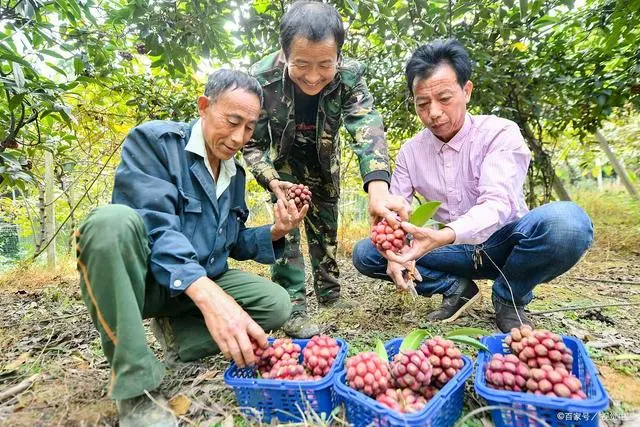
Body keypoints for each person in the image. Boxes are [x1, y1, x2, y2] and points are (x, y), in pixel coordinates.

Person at [76, 69, 307, 427]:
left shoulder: (235, 173)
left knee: (276, 304)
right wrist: (209, 296)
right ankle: (135, 385)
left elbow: (228, 242)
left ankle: (179, 337)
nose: (238, 138)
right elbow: (156, 227)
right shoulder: (154, 143)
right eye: (232, 121)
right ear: (204, 106)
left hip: (199, 279)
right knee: (110, 223)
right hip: (150, 281)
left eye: (249, 128)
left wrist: (276, 232)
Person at [352, 39, 594, 333]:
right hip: (452, 252)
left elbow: (497, 205)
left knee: (568, 224)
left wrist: (445, 235)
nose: (434, 112)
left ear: (466, 91)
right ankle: (456, 288)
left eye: (444, 98)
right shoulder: (411, 152)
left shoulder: (499, 133)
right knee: (368, 252)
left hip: (505, 243)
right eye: (423, 104)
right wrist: (394, 246)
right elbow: (395, 213)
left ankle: (510, 296)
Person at [243, 0, 408, 338]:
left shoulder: (350, 76)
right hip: (283, 168)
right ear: (284, 52)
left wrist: (378, 186)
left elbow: (366, 124)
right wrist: (273, 182)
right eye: (301, 64)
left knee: (326, 231)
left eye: (325, 65)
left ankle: (330, 295)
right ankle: (292, 309)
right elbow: (251, 142)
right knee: (286, 231)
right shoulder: (260, 79)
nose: (314, 76)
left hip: (324, 164)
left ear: (339, 57)